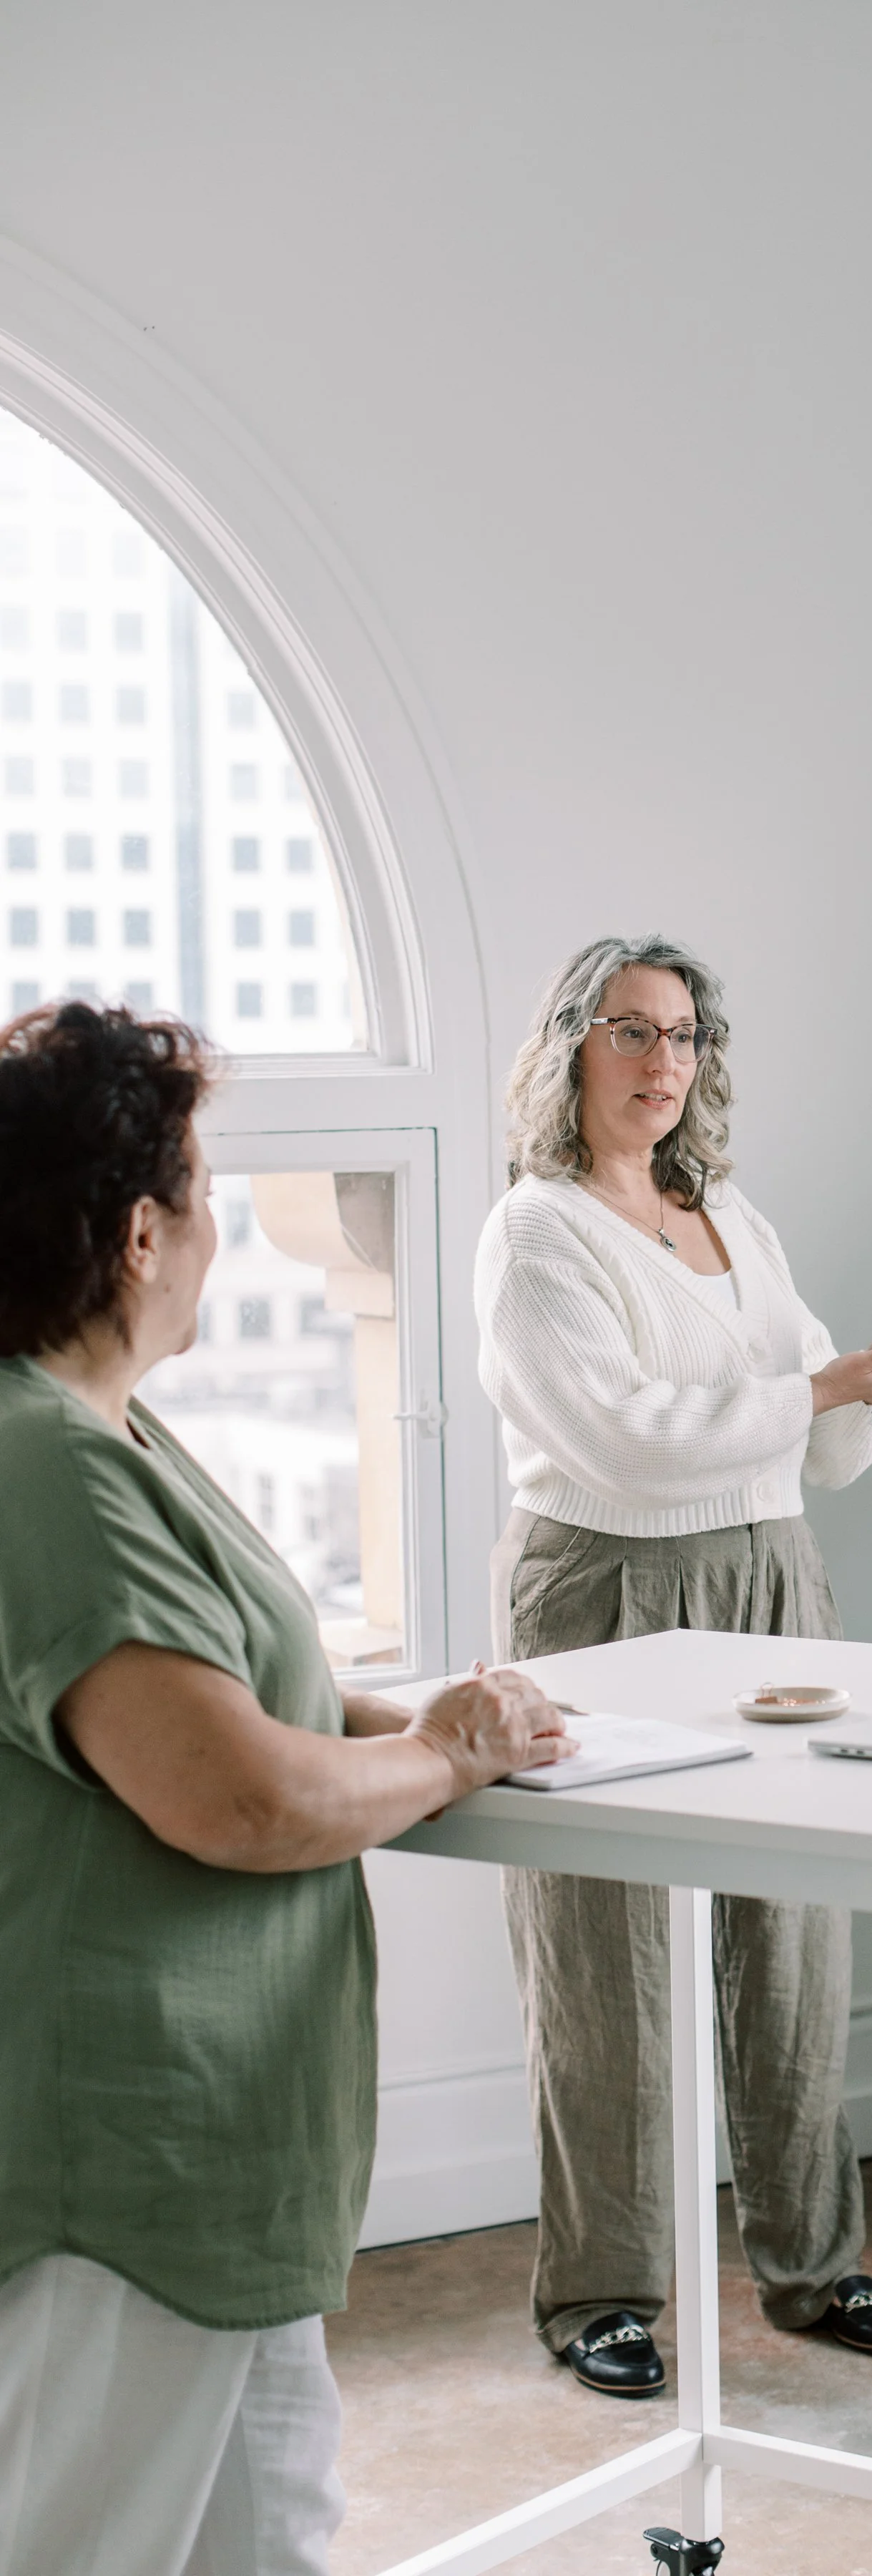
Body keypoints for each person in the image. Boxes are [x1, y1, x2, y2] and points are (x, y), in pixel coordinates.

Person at [0, 1002, 570, 2576]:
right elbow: (233, 1796)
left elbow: (236, 1695)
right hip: (126, 2169)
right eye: (199, 1192)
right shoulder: (44, 1461)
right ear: (134, 1234)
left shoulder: (108, 1430)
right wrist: (443, 1757)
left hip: (227, 2162)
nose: (215, 1236)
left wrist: (448, 1719)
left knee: (274, 2541)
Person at [474, 932, 872, 2396]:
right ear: (572, 1051)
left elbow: (814, 1428)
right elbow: (623, 1432)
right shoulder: (539, 1232)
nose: (663, 1064)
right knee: (603, 1947)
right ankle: (605, 2292)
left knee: (795, 1925)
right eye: (631, 1033)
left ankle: (812, 2267)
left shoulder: (731, 1216)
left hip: (770, 1572)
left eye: (684, 1038)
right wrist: (816, 1386)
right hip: (608, 1583)